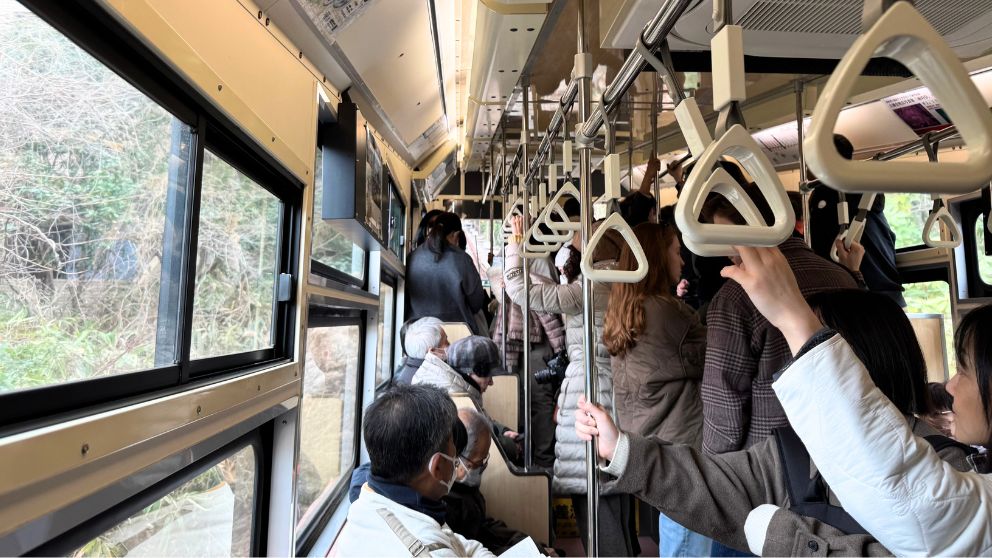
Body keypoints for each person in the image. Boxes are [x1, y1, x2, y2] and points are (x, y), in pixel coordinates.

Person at [574, 286, 974, 556]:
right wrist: (620, 448)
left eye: (804, 354)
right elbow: (713, 482)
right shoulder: (796, 451)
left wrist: (789, 540)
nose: (790, 368)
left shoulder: (947, 468)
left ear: (855, 364)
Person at [703, 245, 992, 556]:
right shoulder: (841, 276)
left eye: (964, 369)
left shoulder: (732, 299)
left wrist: (793, 317)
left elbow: (912, 497)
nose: (950, 384)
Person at [504, 214, 636, 557]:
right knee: (614, 490)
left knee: (591, 495)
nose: (568, 249)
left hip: (588, 389)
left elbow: (518, 288)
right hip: (615, 389)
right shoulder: (623, 283)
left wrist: (516, 245)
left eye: (574, 243)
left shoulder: (587, 289)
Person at [699, 183, 862, 456]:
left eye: (728, 239)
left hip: (774, 462)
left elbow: (724, 415)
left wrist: (711, 475)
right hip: (844, 443)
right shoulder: (843, 277)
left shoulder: (734, 298)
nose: (727, 252)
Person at [602, 222, 708, 557]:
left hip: (649, 438)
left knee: (676, 529)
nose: (682, 260)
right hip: (681, 447)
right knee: (688, 536)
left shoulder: (627, 307)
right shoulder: (666, 313)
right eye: (676, 252)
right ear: (657, 259)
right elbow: (713, 356)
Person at [336, 384, 497, 557]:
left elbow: (453, 540)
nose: (456, 465)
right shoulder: (429, 551)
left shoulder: (369, 500)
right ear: (437, 467)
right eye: (455, 457)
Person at [807, 134, 905, 306]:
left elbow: (820, 249)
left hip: (860, 290)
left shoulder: (825, 196)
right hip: (889, 292)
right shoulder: (866, 189)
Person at [490, 255, 566, 469]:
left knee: (536, 399)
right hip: (531, 337)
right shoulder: (541, 261)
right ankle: (537, 458)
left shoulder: (533, 260)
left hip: (531, 338)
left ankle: (541, 461)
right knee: (529, 399)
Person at [406, 212, 488, 334]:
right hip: (457, 334)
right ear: (456, 235)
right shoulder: (462, 259)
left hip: (419, 333)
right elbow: (477, 302)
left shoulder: (412, 257)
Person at [395, 317, 449, 385]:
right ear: (432, 351)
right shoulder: (439, 379)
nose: (450, 345)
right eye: (446, 341)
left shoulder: (404, 371)